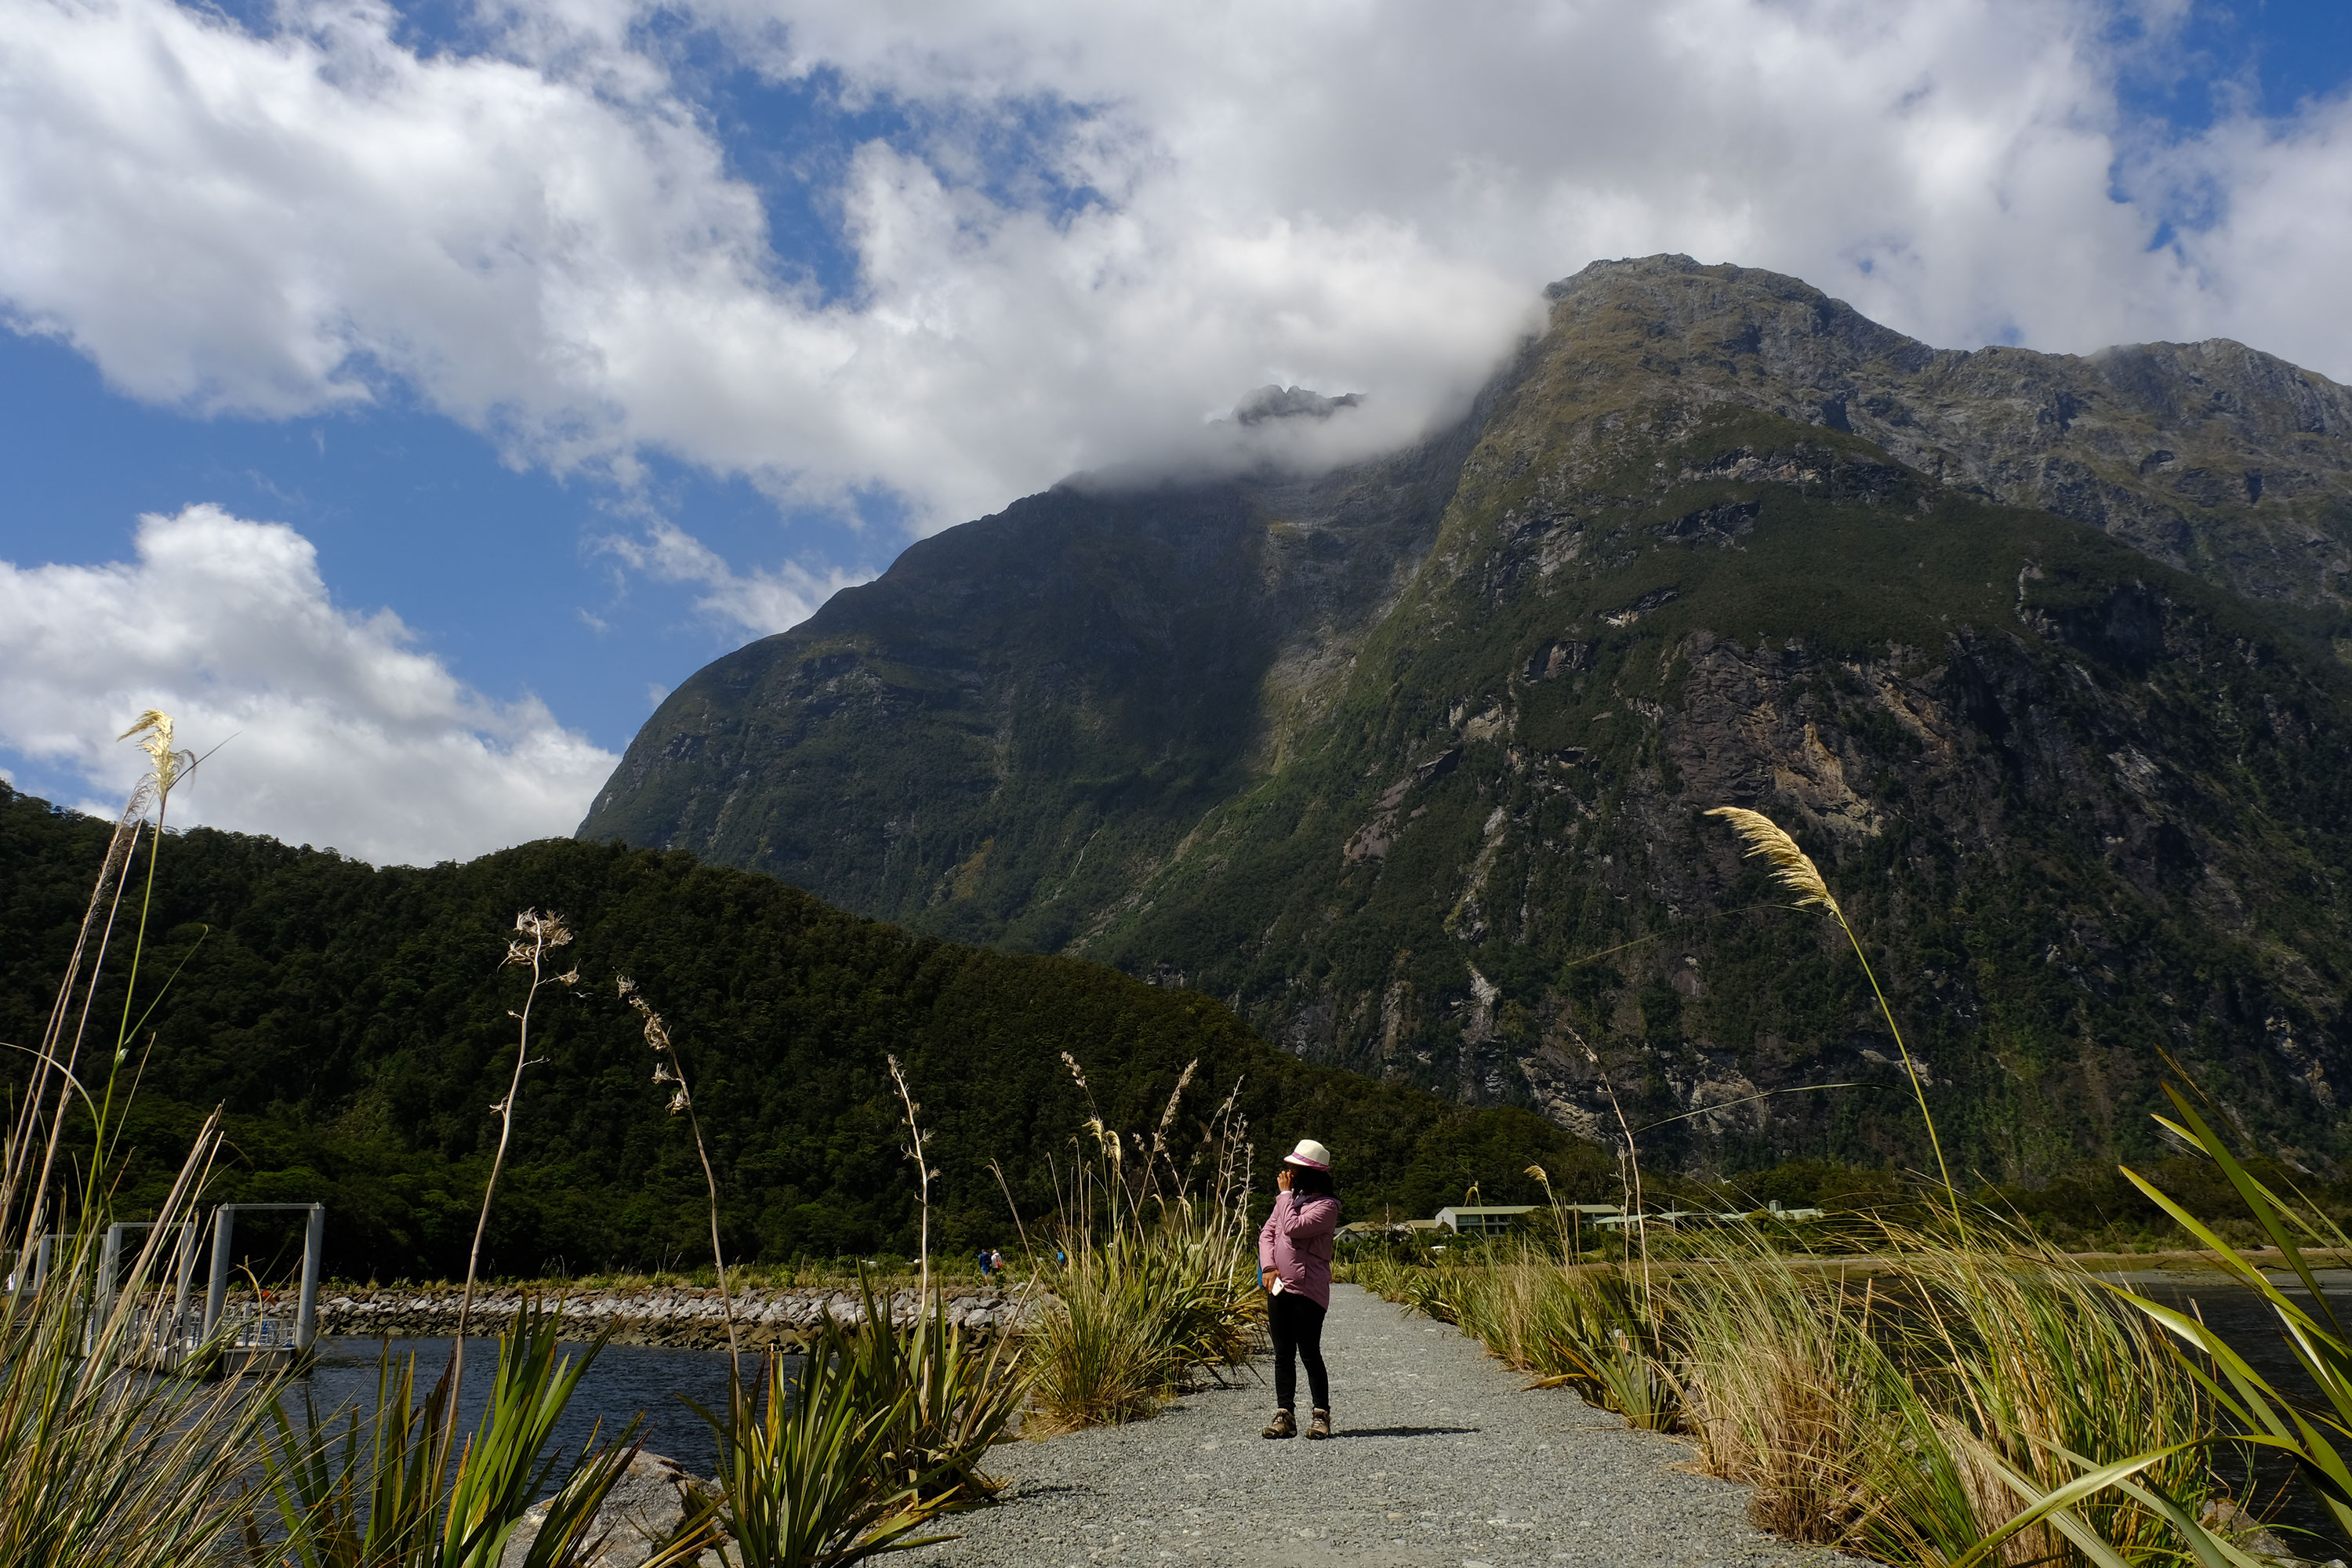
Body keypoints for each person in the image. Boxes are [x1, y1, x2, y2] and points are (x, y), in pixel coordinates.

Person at [1258, 1137, 1341, 1440]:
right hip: (1279, 1288)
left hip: (1308, 1291)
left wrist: (1284, 1195)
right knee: (1282, 1353)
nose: (1288, 1173)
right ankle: (1285, 1415)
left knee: (1308, 1352)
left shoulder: (1327, 1207)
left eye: (1294, 1169)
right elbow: (1268, 1233)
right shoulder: (1291, 1200)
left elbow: (1293, 1228)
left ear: (1310, 1173)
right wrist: (1268, 1267)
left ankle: (1321, 1415)